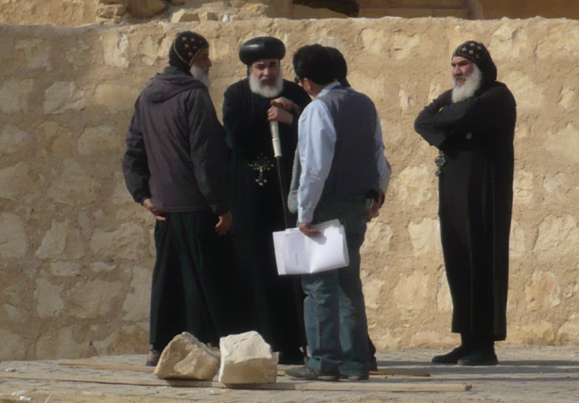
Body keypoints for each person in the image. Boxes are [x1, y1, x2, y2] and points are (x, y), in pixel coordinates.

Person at [122, 31, 250, 366]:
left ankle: (160, 348)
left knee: (168, 281)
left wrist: (143, 196)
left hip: (164, 208)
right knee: (209, 281)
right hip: (197, 207)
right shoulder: (194, 97)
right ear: (190, 60)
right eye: (204, 57)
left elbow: (133, 151)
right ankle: (220, 351)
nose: (209, 63)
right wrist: (220, 205)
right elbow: (205, 156)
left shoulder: (147, 96)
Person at [284, 45, 391, 381]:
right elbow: (379, 156)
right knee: (349, 285)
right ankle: (356, 362)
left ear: (305, 81)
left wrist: (305, 212)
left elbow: (315, 168)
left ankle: (323, 362)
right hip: (357, 205)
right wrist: (378, 194)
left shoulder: (318, 110)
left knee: (319, 286)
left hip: (326, 206)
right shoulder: (364, 103)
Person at [413, 40, 516, 366]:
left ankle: (485, 345)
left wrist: (447, 106)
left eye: (464, 65)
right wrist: (446, 105)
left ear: (480, 66)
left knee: (483, 263)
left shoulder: (496, 96)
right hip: (456, 192)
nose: (458, 72)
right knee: (459, 261)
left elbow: (462, 114)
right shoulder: (465, 97)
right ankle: (467, 341)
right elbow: (422, 122)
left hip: (485, 194)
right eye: (454, 66)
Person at [222, 37, 311, 365]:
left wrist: (292, 117)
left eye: (272, 65)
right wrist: (265, 111)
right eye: (260, 66)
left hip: (285, 196)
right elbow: (234, 137)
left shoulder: (295, 93)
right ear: (250, 69)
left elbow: (315, 131)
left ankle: (294, 343)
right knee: (255, 269)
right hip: (249, 199)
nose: (267, 72)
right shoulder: (236, 94)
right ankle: (259, 343)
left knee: (291, 271)